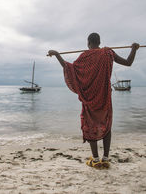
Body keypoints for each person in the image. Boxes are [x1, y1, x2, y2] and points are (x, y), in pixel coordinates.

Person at [48, 33, 140, 169]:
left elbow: (70, 69)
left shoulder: (85, 56)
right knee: (106, 125)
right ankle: (106, 159)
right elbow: (128, 62)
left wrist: (57, 54)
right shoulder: (107, 53)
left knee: (90, 125)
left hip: (89, 97)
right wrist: (134, 49)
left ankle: (96, 159)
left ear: (88, 43)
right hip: (104, 97)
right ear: (99, 42)